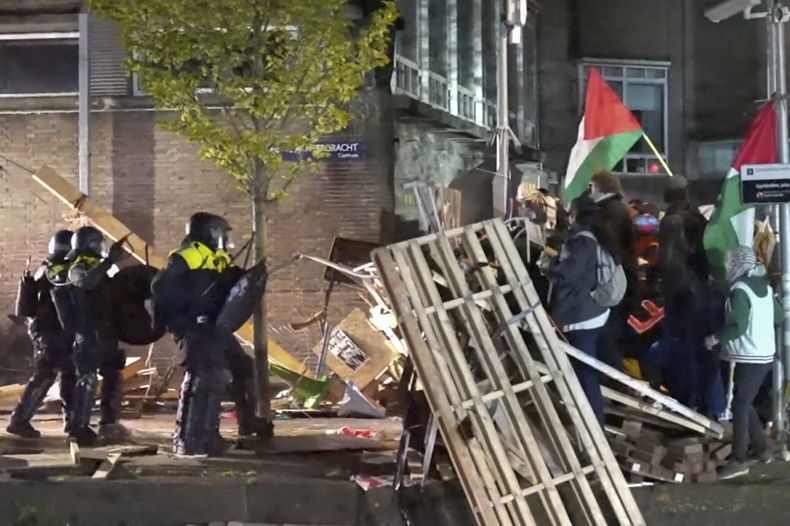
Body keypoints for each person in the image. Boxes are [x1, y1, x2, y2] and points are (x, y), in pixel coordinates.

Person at [152, 212, 259, 457]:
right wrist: (177, 323)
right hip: (196, 328)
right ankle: (189, 440)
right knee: (204, 376)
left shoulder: (216, 258)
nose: (225, 239)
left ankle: (241, 427)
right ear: (210, 232)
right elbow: (160, 288)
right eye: (222, 233)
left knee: (241, 367)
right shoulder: (187, 255)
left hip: (216, 327)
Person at [540, 196, 618, 424]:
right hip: (594, 313)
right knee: (587, 371)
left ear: (576, 215)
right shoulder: (598, 237)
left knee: (585, 374)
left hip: (581, 315)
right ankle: (593, 421)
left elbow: (568, 275)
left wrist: (548, 264)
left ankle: (595, 426)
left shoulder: (583, 242)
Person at [54, 226, 129, 445]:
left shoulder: (101, 268)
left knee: (113, 376)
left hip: (106, 333)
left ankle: (109, 422)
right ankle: (79, 427)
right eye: (98, 244)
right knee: (87, 379)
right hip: (88, 334)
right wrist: (108, 262)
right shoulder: (77, 267)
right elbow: (86, 282)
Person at [712, 246, 781, 480]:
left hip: (748, 355)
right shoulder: (765, 287)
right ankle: (762, 448)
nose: (727, 267)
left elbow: (738, 327)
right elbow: (779, 316)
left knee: (740, 404)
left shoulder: (739, 290)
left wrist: (715, 339)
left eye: (729, 263)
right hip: (764, 354)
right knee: (744, 401)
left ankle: (738, 459)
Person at [658, 179, 725, 415]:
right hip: (704, 292)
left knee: (684, 351)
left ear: (668, 195)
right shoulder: (699, 219)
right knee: (704, 350)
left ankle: (689, 403)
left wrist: (665, 292)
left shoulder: (671, 222)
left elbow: (670, 264)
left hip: (683, 295)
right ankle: (713, 405)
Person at [6, 231, 76, 438]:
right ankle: (19, 420)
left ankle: (72, 423)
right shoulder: (58, 270)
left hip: (50, 330)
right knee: (46, 375)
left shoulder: (48, 267)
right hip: (50, 331)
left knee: (68, 374)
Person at [589, 171, 639, 371]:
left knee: (609, 336)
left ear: (600, 187)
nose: (590, 192)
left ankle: (616, 378)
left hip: (614, 281)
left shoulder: (608, 212)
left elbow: (611, 248)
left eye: (592, 187)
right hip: (622, 279)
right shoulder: (617, 209)